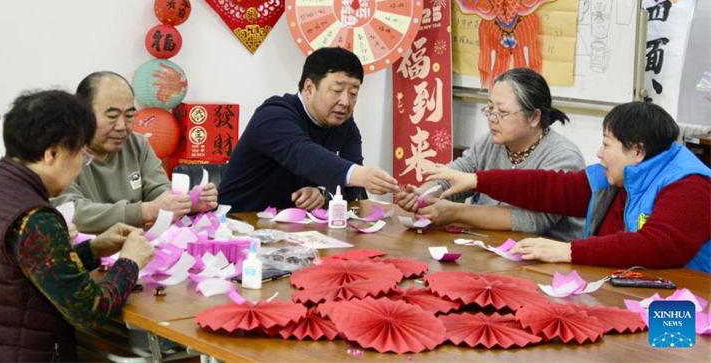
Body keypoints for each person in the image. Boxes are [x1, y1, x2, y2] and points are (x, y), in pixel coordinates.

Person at [0, 90, 154, 361]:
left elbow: (22, 271)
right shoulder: (32, 216)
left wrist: (94, 248)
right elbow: (89, 310)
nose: (80, 167)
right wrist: (130, 262)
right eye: (81, 157)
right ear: (52, 154)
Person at [423, 101, 711, 272]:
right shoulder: (620, 174)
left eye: (607, 144)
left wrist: (567, 251)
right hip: (633, 287)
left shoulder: (690, 185)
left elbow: (657, 246)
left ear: (637, 151)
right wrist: (476, 180)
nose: (598, 153)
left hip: (687, 306)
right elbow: (554, 188)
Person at [396, 68, 586, 240]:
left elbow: (532, 221)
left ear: (534, 117)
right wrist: (423, 194)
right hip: (489, 247)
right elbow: (456, 176)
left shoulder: (563, 156)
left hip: (547, 263)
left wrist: (457, 212)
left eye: (502, 112)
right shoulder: (490, 142)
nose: (492, 119)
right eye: (490, 109)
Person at [219, 47, 399, 213]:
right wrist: (363, 174)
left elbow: (352, 190)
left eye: (353, 93)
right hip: (238, 224)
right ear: (309, 88)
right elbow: (303, 154)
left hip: (297, 234)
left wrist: (323, 194)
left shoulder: (345, 125)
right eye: (337, 90)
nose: (345, 101)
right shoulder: (272, 115)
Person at [52, 71, 217, 233]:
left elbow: (158, 190)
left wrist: (187, 202)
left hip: (135, 248)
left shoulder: (137, 144)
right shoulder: (61, 151)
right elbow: (71, 212)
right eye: (112, 116)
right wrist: (143, 211)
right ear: (82, 113)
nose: (122, 126)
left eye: (129, 116)